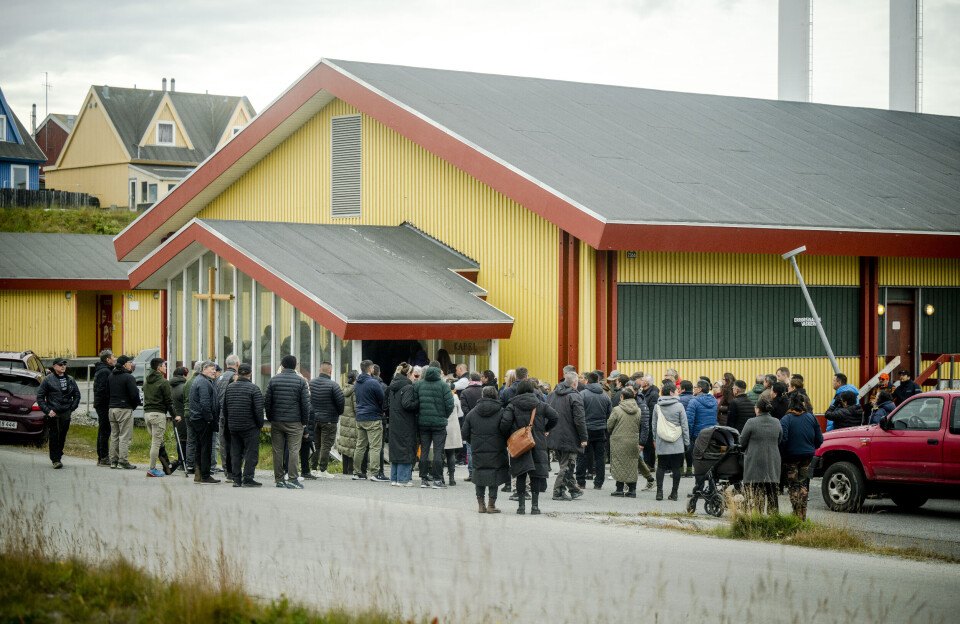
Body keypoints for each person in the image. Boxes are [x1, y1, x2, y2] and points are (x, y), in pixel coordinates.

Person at [500, 380, 558, 515]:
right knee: (536, 475)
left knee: (521, 473)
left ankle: (521, 507)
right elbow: (555, 416)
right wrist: (544, 429)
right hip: (537, 442)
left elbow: (505, 423)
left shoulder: (512, 405)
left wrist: (510, 435)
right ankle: (535, 507)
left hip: (519, 444)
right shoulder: (540, 405)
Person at [405, 361, 453, 488]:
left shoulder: (419, 385)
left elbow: (415, 403)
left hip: (423, 423)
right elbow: (450, 405)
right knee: (438, 451)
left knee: (424, 450)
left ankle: (423, 479)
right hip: (439, 424)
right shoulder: (444, 386)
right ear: (439, 371)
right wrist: (444, 416)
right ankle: (437, 479)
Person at [266, 355, 311, 489]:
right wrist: (304, 422)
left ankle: (279, 479)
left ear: (282, 366)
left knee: (277, 450)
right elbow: (305, 404)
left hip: (277, 421)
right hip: (295, 422)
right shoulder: (301, 381)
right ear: (296, 366)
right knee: (294, 450)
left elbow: (267, 402)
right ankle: (292, 479)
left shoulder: (273, 380)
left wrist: (270, 417)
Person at [462, 386, 508, 513]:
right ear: (496, 396)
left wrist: (474, 442)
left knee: (479, 474)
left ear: (482, 396)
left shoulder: (472, 413)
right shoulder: (501, 412)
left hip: (477, 449)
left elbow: (464, 433)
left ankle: (480, 505)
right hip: (497, 449)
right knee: (494, 475)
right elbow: (506, 430)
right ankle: (491, 505)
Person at [780, 393, 823, 520]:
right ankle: (803, 514)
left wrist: (783, 453)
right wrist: (811, 447)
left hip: (791, 457)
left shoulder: (786, 419)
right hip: (807, 456)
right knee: (803, 483)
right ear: (803, 404)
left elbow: (783, 439)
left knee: (793, 485)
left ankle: (796, 513)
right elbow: (819, 438)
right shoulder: (811, 418)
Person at [546, 369, 587, 501]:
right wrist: (584, 437)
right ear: (575, 383)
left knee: (565, 464)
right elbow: (579, 419)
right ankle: (558, 492)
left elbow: (547, 413)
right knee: (568, 465)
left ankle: (574, 489)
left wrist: (547, 429)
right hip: (569, 436)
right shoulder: (575, 396)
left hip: (554, 434)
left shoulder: (552, 394)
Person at [223, 363, 265, 487]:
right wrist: (259, 424)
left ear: (237, 374)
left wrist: (229, 422)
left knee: (235, 452)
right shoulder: (254, 389)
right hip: (250, 426)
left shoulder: (229, 388)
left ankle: (236, 478)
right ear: (250, 374)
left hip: (233, 426)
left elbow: (225, 408)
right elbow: (258, 410)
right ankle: (248, 478)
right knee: (251, 453)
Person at [739, 394, 782, 514]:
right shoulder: (776, 422)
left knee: (757, 492)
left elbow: (742, 441)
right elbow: (779, 440)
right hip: (773, 461)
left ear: (757, 409)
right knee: (772, 493)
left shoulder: (751, 422)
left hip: (755, 462)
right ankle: (774, 518)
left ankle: (758, 517)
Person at [607, 386, 654, 496]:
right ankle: (632, 490)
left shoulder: (617, 409)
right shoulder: (638, 410)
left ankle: (619, 489)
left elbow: (609, 425)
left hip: (618, 440)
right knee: (632, 464)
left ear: (622, 397)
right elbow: (639, 425)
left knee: (619, 463)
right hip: (633, 440)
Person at [36, 357, 81, 469]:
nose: (63, 366)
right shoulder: (47, 380)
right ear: (54, 366)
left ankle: (59, 454)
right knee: (54, 436)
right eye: (60, 364)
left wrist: (71, 408)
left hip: (66, 412)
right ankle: (55, 460)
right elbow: (40, 397)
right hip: (53, 413)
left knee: (62, 436)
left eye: (64, 364)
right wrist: (48, 410)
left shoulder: (70, 379)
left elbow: (77, 395)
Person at [651, 381, 690, 501]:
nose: (678, 392)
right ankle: (674, 493)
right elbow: (684, 425)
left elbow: (654, 425)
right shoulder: (679, 406)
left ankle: (659, 492)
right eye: (676, 391)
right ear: (672, 392)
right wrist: (686, 442)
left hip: (662, 440)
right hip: (677, 441)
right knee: (676, 468)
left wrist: (655, 439)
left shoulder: (657, 406)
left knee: (661, 466)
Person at [352, 359, 388, 482]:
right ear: (371, 369)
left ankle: (357, 472)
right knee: (375, 447)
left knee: (360, 446)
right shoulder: (373, 383)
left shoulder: (357, 383)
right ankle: (375, 472)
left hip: (360, 417)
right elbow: (382, 398)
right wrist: (381, 410)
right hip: (373, 417)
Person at [308, 361, 345, 478]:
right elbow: (340, 403)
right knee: (326, 445)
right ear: (330, 371)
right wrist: (338, 413)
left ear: (320, 370)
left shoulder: (311, 383)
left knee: (316, 444)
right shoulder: (333, 385)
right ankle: (323, 470)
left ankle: (313, 468)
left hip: (314, 419)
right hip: (329, 419)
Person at [578, 371, 612, 490]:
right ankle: (598, 483)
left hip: (586, 429)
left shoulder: (582, 395)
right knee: (600, 457)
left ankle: (581, 482)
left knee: (582, 455)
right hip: (601, 430)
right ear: (598, 381)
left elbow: (578, 413)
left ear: (587, 381)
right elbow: (610, 415)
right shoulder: (605, 396)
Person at [189, 360, 220, 484]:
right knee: (205, 448)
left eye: (215, 369)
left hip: (198, 418)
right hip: (202, 420)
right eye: (211, 369)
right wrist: (209, 419)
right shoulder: (203, 382)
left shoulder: (202, 381)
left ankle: (198, 474)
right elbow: (205, 403)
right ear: (204, 369)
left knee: (200, 447)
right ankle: (205, 475)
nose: (214, 371)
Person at [386, 362, 418, 486]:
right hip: (406, 422)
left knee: (396, 449)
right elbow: (407, 404)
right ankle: (403, 479)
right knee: (406, 447)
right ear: (409, 374)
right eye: (413, 374)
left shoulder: (392, 386)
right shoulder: (408, 387)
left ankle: (394, 478)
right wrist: (417, 402)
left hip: (395, 422)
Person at [142, 358, 174, 477]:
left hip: (147, 414)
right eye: (164, 366)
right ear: (159, 368)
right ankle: (152, 468)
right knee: (156, 443)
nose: (165, 368)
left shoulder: (147, 381)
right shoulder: (163, 382)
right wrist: (175, 415)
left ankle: (167, 466)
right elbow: (168, 401)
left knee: (158, 441)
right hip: (158, 414)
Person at [108, 355, 141, 470]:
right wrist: (134, 405)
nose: (130, 364)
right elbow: (134, 395)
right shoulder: (128, 377)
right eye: (129, 362)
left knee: (114, 435)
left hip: (112, 408)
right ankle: (123, 461)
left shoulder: (111, 375)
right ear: (124, 364)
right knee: (125, 436)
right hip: (124, 408)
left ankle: (113, 460)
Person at [214, 354, 239, 480]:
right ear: (237, 365)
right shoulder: (236, 378)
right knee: (235, 443)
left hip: (220, 415)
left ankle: (226, 470)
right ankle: (234, 470)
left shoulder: (218, 378)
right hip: (233, 415)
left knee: (223, 444)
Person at [459, 372, 484, 482]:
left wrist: (471, 417)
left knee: (470, 450)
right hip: (484, 422)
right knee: (483, 449)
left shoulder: (465, 392)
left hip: (469, 423)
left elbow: (464, 408)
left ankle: (471, 473)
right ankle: (481, 473)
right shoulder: (484, 391)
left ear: (470, 379)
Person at [92, 349, 114, 466]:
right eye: (113, 357)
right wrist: (108, 402)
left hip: (101, 404)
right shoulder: (104, 372)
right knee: (105, 431)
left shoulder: (103, 370)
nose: (114, 359)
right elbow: (103, 390)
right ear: (108, 359)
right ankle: (103, 457)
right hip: (103, 405)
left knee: (103, 430)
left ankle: (102, 456)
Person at [335, 370, 360, 475]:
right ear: (355, 379)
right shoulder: (354, 391)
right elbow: (356, 408)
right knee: (352, 445)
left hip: (344, 420)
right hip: (352, 421)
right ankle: (351, 470)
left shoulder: (343, 389)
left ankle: (345, 470)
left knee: (345, 444)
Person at [181, 360, 203, 474]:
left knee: (190, 440)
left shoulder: (188, 382)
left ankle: (189, 464)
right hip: (196, 414)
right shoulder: (200, 381)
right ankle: (198, 464)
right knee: (199, 440)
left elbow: (184, 397)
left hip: (187, 413)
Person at [685, 380, 718, 457]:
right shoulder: (714, 401)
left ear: (699, 389)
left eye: (695, 387)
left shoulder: (693, 402)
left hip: (698, 436)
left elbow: (689, 422)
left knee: (697, 459)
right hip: (711, 434)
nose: (694, 389)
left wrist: (688, 437)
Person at [168, 366, 190, 472]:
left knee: (179, 439)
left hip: (175, 416)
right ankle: (184, 462)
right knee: (185, 440)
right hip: (183, 416)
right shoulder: (184, 387)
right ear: (184, 375)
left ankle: (181, 461)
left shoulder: (169, 386)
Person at [638, 375, 660, 470]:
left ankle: (650, 465)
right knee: (645, 444)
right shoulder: (643, 392)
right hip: (644, 421)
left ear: (646, 383)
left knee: (649, 444)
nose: (640, 381)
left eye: (642, 380)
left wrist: (645, 417)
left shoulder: (654, 394)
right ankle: (646, 463)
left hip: (649, 422)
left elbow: (653, 409)